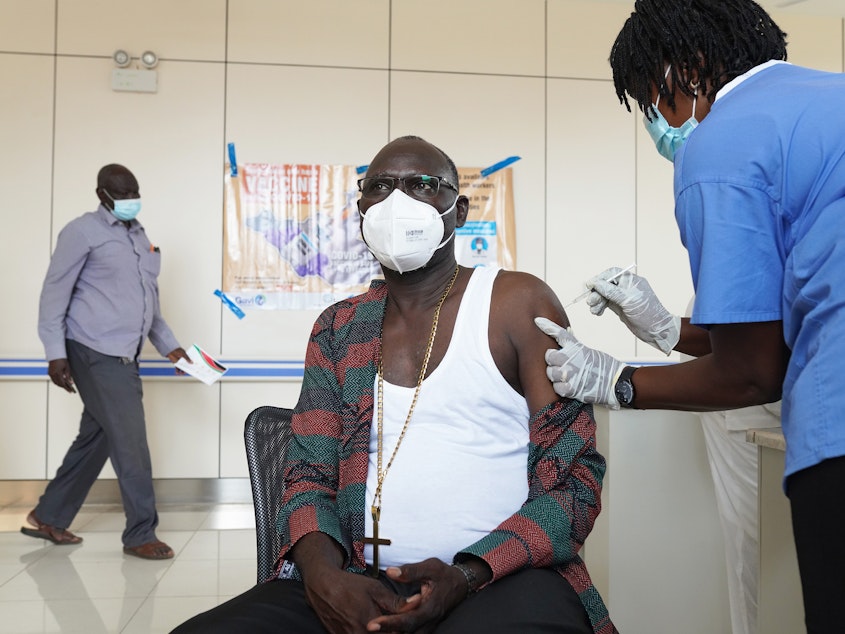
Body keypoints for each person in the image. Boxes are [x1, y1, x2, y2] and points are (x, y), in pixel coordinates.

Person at [172, 136, 615, 634]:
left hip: (497, 577)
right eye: (379, 187)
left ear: (459, 209)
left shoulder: (515, 303)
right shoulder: (338, 328)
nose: (396, 201)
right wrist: (325, 579)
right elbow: (306, 478)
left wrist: (467, 575)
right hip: (355, 577)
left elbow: (574, 483)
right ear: (361, 210)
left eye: (421, 185)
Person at [535, 1, 845, 631]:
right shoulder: (826, 100)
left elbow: (753, 373)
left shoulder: (723, 143)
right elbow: (786, 316)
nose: (660, 124)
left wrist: (616, 381)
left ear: (692, 68)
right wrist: (668, 328)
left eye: (656, 102)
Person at [583, 274, 782, 634]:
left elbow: (757, 362)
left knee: (774, 568)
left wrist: (622, 382)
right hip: (760, 403)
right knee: (757, 565)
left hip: (782, 407)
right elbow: (754, 341)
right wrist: (668, 328)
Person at [26, 163, 189, 560]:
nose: (131, 200)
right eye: (123, 193)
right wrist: (55, 353)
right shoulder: (81, 232)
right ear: (103, 195)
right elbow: (53, 295)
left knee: (97, 436)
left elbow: (149, 304)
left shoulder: (140, 236)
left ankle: (48, 515)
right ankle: (139, 534)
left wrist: (172, 348)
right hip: (91, 349)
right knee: (130, 441)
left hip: (125, 353)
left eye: (135, 191)